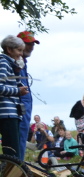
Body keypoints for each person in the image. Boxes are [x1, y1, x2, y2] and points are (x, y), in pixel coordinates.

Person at [15, 31, 36, 159]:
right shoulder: (14, 62)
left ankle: (18, 168)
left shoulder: (23, 62)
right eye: (28, 44)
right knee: (18, 139)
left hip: (24, 108)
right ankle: (15, 170)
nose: (31, 47)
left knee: (21, 138)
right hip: (18, 108)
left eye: (33, 44)